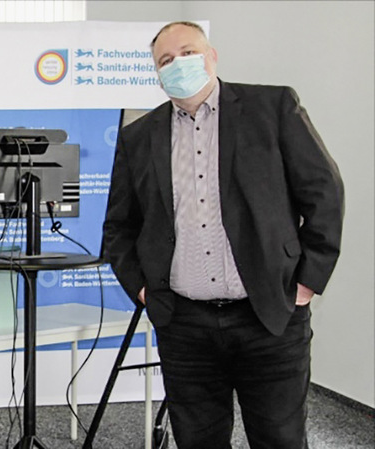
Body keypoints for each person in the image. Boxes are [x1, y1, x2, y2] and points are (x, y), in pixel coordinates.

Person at [102, 21, 344, 449]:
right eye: (165, 60)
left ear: (211, 56)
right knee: (198, 439)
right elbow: (120, 226)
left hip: (269, 315)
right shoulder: (138, 138)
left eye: (188, 52)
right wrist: (143, 289)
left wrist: (307, 280)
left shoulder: (272, 107)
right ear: (156, 73)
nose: (178, 64)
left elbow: (323, 192)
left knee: (280, 438)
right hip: (184, 324)